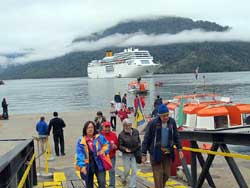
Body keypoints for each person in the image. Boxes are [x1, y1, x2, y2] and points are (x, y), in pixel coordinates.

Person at [141, 104, 183, 188]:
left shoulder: (172, 122)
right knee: (158, 176)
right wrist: (143, 154)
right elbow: (146, 138)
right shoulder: (153, 123)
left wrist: (180, 149)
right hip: (155, 153)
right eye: (164, 116)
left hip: (167, 152)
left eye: (167, 115)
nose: (166, 117)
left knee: (167, 174)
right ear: (159, 115)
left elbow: (176, 136)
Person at [75, 121, 110, 188]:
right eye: (88, 127)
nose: (90, 129)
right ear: (85, 129)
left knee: (102, 183)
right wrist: (82, 166)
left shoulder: (99, 137)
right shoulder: (81, 140)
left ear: (94, 129)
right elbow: (80, 154)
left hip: (100, 164)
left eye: (92, 127)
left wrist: (103, 151)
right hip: (88, 166)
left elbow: (107, 144)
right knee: (89, 185)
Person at [118, 118, 141, 188]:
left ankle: (132, 186)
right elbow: (119, 146)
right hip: (126, 154)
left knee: (134, 170)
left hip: (134, 153)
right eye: (126, 125)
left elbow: (139, 141)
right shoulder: (121, 135)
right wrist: (125, 149)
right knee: (127, 170)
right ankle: (123, 178)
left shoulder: (136, 131)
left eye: (129, 125)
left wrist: (139, 146)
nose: (128, 127)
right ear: (124, 126)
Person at [101, 121, 118, 188]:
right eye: (106, 127)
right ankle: (103, 185)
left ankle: (112, 186)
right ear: (103, 127)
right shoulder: (100, 135)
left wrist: (116, 147)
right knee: (103, 172)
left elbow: (117, 145)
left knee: (112, 171)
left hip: (112, 157)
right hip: (103, 157)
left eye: (108, 127)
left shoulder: (113, 135)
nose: (107, 129)